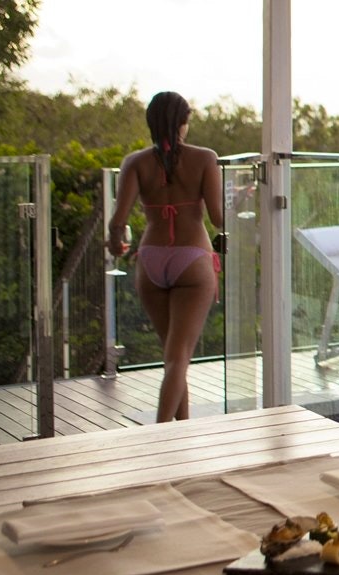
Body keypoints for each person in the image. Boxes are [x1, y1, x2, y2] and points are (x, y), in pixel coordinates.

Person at [107, 91, 222, 422]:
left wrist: (117, 245)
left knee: (173, 355)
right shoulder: (205, 158)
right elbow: (217, 218)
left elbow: (118, 223)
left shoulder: (134, 163)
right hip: (192, 259)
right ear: (184, 123)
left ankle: (181, 432)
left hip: (152, 259)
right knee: (178, 357)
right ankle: (159, 437)